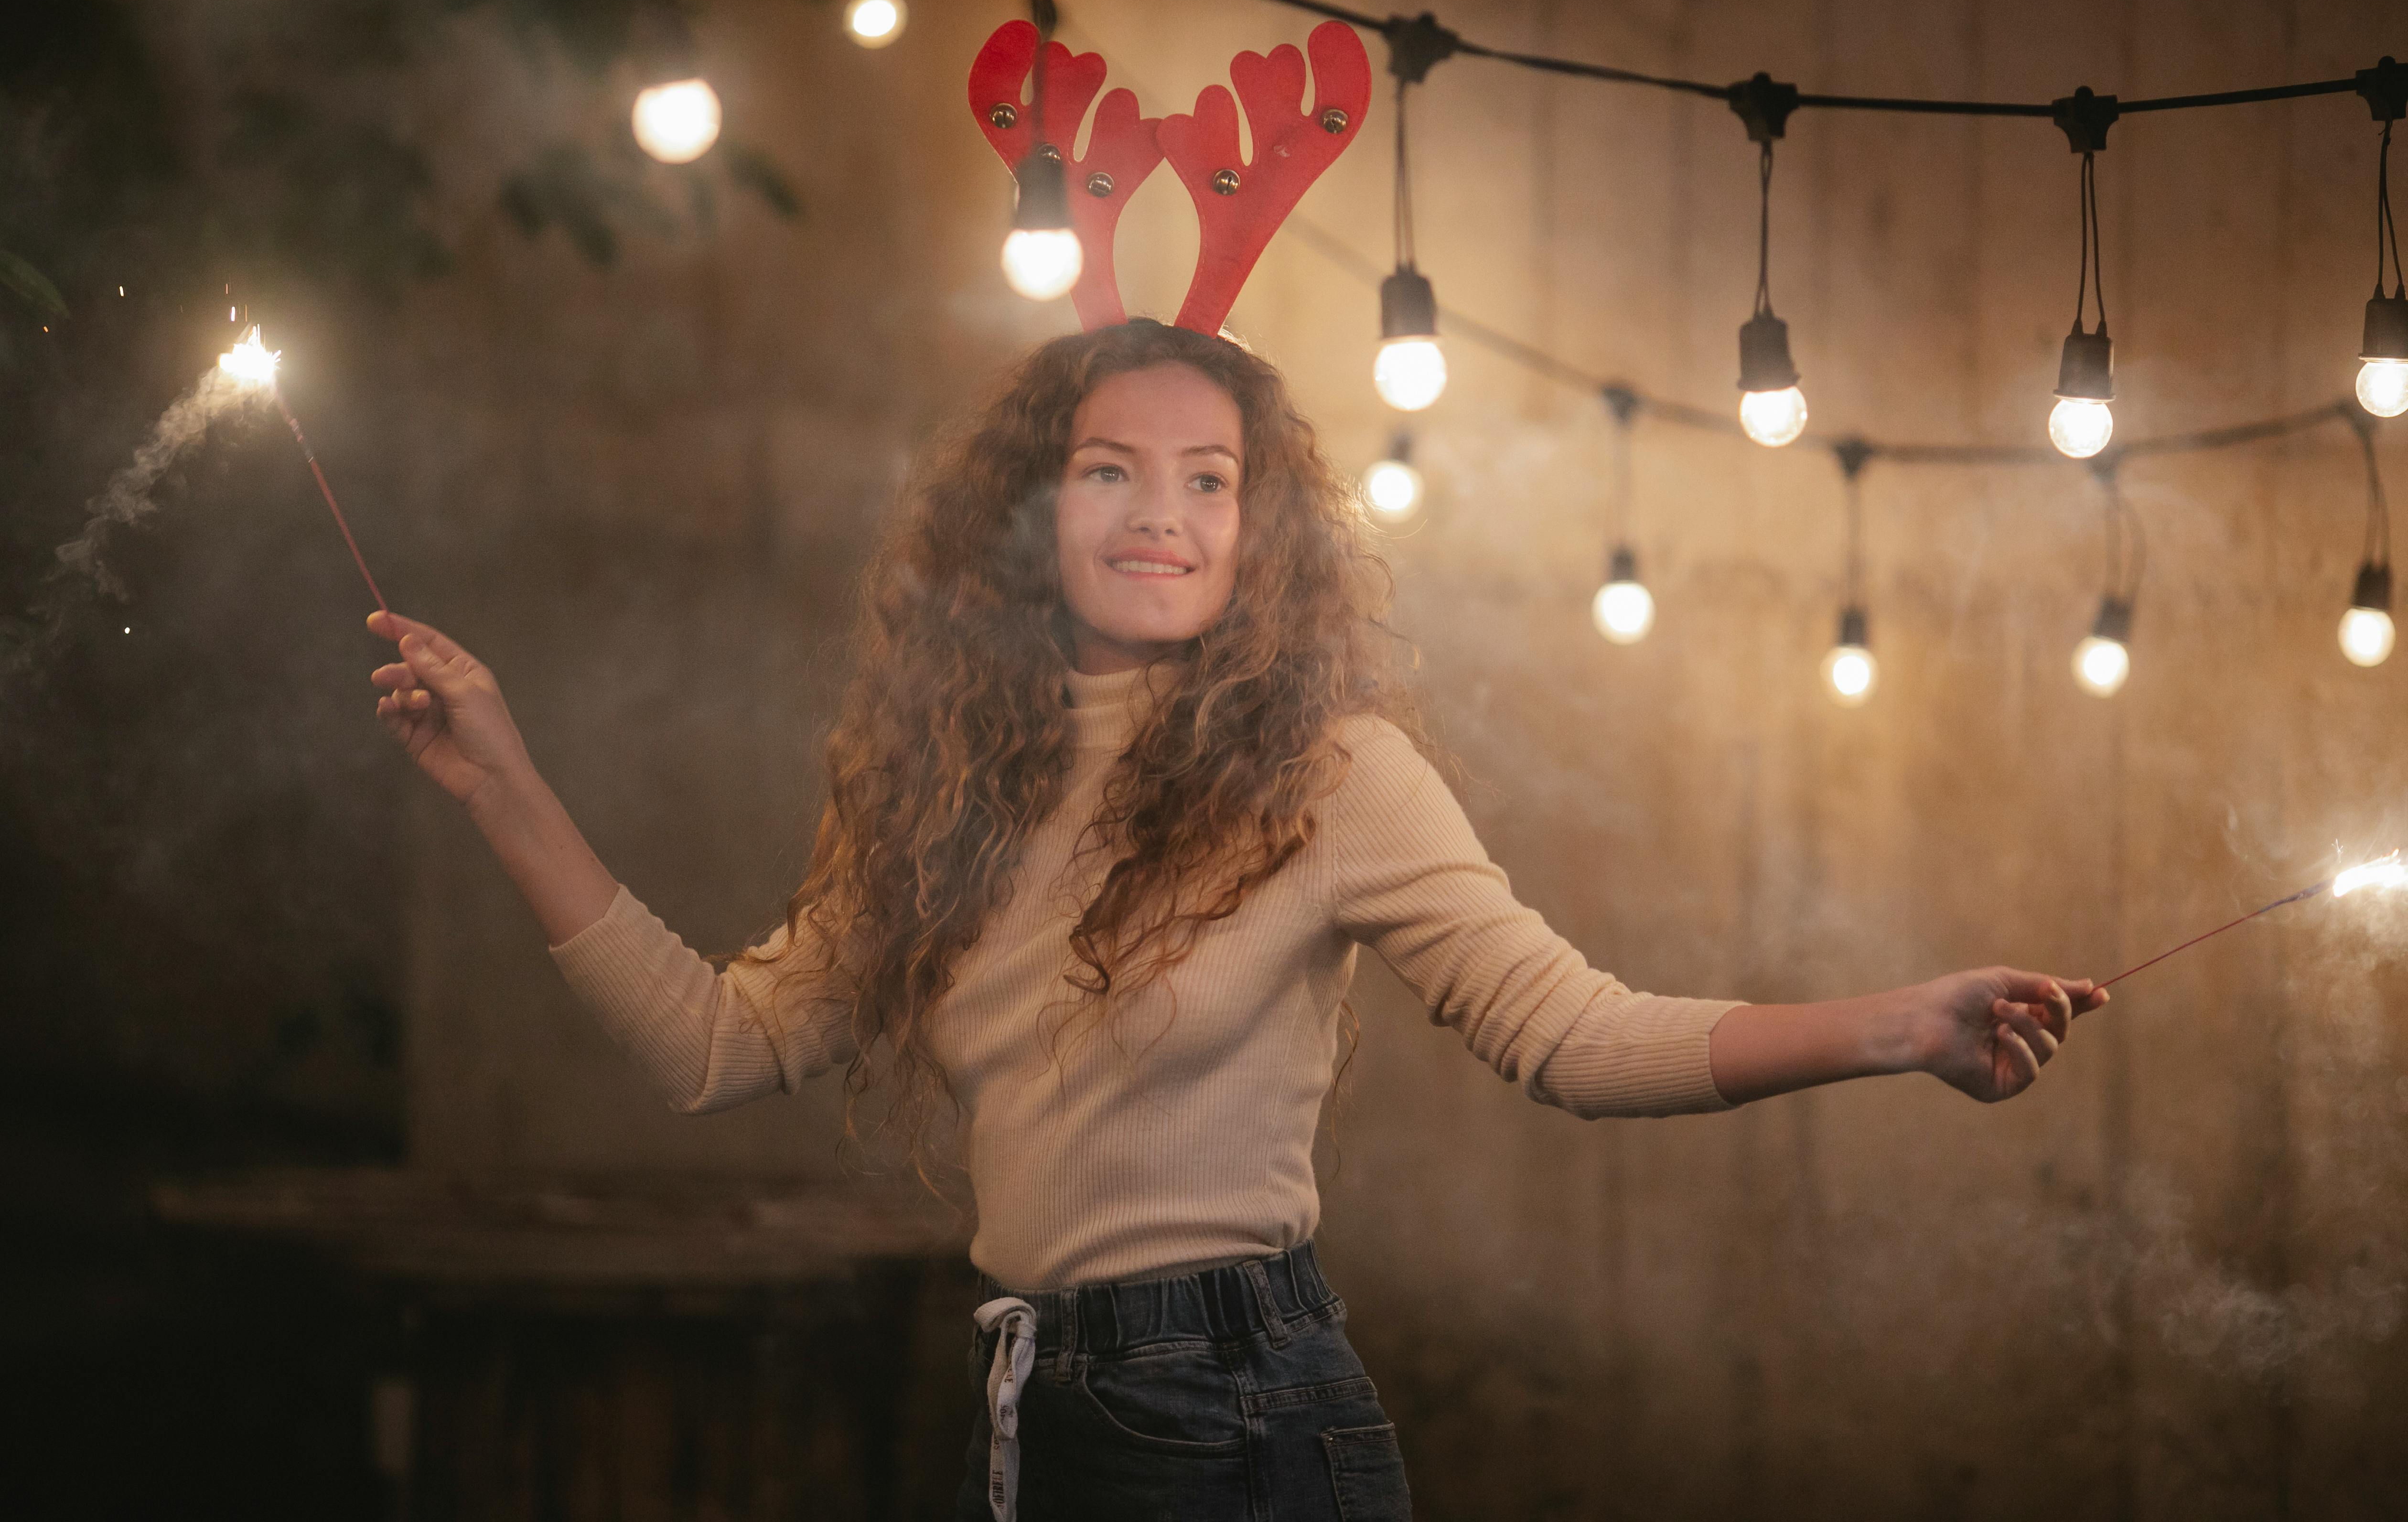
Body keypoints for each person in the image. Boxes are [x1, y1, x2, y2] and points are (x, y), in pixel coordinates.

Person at [368, 318, 2105, 1521]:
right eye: (1112, 470)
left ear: (1260, 527)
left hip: (1243, 1413)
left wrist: (1897, 1027)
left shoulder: (1329, 775)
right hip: (1036, 1402)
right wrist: (501, 782)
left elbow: (1572, 1038)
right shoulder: (941, 782)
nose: (1164, 517)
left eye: (1210, 480)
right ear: (1027, 508)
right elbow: (718, 1046)